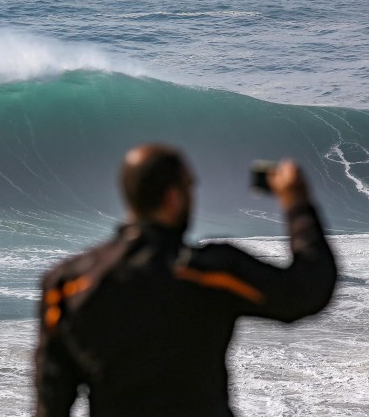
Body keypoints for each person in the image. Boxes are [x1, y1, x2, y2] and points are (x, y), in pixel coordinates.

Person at [35, 144, 337, 416]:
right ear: (174, 197)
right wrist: (296, 203)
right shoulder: (204, 273)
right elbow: (306, 290)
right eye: (191, 186)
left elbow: (52, 399)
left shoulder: (68, 283)